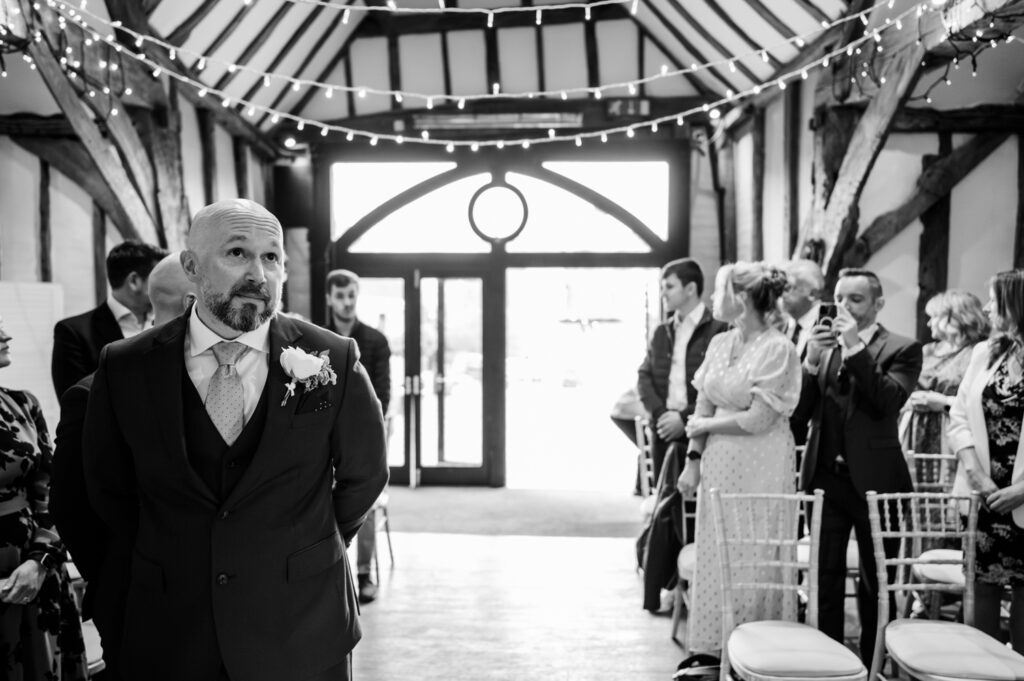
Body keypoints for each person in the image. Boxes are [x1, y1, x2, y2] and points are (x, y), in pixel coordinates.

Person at [82, 199, 389, 681]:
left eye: (271, 257)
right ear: (191, 267)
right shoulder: (124, 366)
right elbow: (107, 489)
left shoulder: (333, 358)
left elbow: (365, 475)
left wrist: (307, 541)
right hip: (171, 626)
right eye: (237, 253)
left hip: (301, 623)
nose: (258, 275)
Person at [51, 253, 197, 681]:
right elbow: (71, 507)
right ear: (193, 303)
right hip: (133, 597)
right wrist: (117, 578)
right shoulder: (94, 391)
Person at [792, 267, 921, 665]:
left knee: (876, 582)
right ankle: (829, 662)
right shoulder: (821, 346)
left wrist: (854, 348)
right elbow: (798, 417)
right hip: (825, 480)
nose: (844, 306)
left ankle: (875, 662)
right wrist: (810, 363)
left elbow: (888, 400)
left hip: (878, 483)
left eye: (856, 299)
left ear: (878, 304)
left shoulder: (903, 348)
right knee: (824, 579)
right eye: (838, 298)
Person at [676, 262, 802, 655]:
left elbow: (760, 418)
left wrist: (705, 425)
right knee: (717, 550)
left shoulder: (778, 349)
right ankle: (715, 647)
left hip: (762, 462)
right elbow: (704, 400)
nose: (715, 298)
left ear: (742, 297)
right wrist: (693, 460)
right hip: (718, 462)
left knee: (755, 551)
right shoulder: (720, 343)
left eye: (720, 291)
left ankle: (758, 648)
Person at [0, 316, 89, 680]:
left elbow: (52, 488)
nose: (6, 335)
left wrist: (40, 560)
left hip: (35, 567)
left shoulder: (23, 404)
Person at [948, 269, 1024, 653]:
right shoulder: (987, 352)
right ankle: (980, 671)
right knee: (981, 589)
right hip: (984, 494)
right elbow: (959, 417)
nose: (988, 308)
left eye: (995, 300)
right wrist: (974, 473)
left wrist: (1022, 492)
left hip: (1021, 496)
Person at [324, 268, 392, 604]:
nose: (347, 302)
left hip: (365, 432)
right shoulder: (316, 338)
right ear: (329, 298)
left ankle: (364, 573)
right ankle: (327, 569)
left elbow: (383, 395)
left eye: (351, 295)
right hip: (324, 434)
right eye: (340, 296)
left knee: (366, 494)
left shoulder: (376, 341)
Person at [637, 258, 729, 486]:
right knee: (664, 497)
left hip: (701, 429)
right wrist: (661, 416)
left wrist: (682, 417)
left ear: (690, 289)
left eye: (669, 287)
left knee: (698, 498)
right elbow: (644, 376)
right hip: (663, 429)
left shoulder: (719, 331)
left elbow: (719, 385)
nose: (663, 293)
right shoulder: (661, 331)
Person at [51, 240, 168, 398]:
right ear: (134, 281)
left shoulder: (168, 325)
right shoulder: (73, 333)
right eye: (160, 279)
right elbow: (76, 402)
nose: (167, 286)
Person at [901, 290, 989, 457]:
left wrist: (945, 402)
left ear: (955, 317)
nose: (929, 323)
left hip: (953, 432)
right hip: (915, 430)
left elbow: (982, 402)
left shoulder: (977, 353)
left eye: (934, 316)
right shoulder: (927, 351)